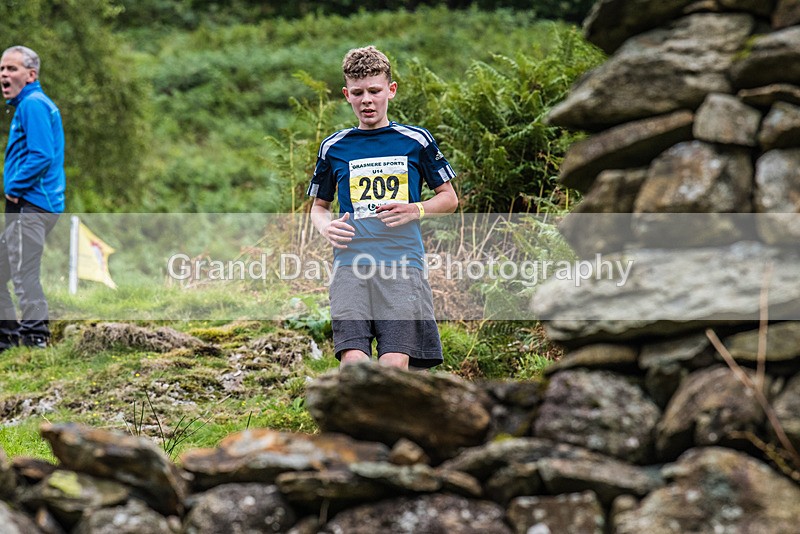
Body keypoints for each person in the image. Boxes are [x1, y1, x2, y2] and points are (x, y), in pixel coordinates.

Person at [307, 45, 458, 370]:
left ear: (391, 90)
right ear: (346, 94)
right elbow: (318, 207)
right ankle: (353, 423)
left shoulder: (415, 140)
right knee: (353, 362)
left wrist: (415, 210)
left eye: (375, 91)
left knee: (393, 364)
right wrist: (326, 226)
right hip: (349, 265)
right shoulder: (334, 147)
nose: (367, 100)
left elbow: (449, 198)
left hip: (402, 265)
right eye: (358, 93)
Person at [0, 45, 65, 350]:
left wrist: (14, 188)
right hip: (29, 203)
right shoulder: (30, 104)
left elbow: (41, 155)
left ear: (31, 74)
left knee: (25, 272)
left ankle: (34, 338)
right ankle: (7, 338)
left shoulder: (33, 104)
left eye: (11, 69)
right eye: (2, 69)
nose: (4, 74)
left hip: (31, 203)